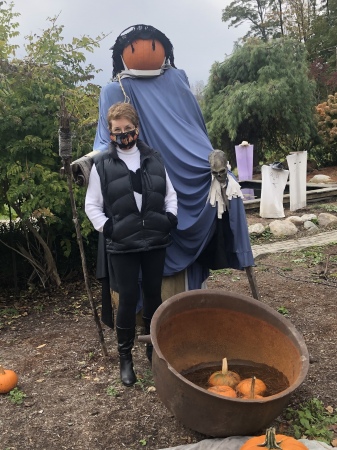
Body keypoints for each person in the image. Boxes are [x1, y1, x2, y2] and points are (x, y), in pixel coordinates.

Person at [85, 102, 178, 386]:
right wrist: (109, 228)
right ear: (110, 132)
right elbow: (92, 205)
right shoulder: (102, 164)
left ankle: (154, 352)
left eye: (128, 128)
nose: (123, 133)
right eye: (117, 130)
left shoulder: (154, 159)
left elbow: (171, 195)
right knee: (126, 300)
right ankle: (125, 359)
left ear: (136, 128)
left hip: (154, 242)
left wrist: (169, 220)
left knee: (153, 297)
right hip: (122, 245)